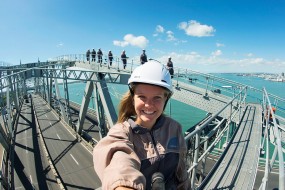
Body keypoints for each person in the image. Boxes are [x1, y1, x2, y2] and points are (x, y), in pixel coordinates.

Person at [93, 61, 190, 190]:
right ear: (133, 98)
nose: (149, 105)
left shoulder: (174, 128)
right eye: (142, 97)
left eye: (157, 98)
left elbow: (181, 172)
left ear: (165, 99)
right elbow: (119, 160)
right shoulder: (122, 132)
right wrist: (123, 185)